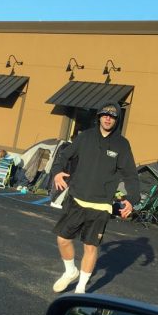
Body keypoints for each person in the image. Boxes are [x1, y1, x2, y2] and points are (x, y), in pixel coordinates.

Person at [50, 103, 140, 294]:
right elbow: (64, 156)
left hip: (100, 205)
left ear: (117, 120)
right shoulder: (85, 137)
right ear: (99, 117)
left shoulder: (122, 145)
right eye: (105, 115)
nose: (108, 118)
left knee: (90, 247)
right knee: (63, 239)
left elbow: (131, 175)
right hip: (77, 198)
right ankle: (70, 271)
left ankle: (81, 289)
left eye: (112, 116)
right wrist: (57, 172)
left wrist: (132, 199)